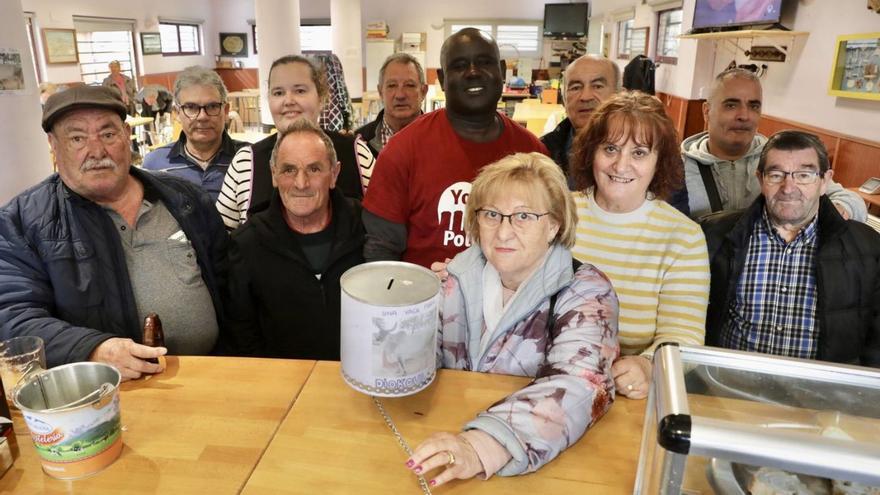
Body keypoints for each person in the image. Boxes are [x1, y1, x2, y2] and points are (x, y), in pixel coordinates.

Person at [407, 153, 619, 486]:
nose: (503, 232)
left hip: (532, 468)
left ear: (553, 225)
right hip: (444, 443)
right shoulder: (453, 279)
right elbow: (417, 367)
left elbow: (581, 385)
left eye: (523, 216)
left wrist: (480, 445)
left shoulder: (587, 291)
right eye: (492, 215)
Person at [0, 86, 227, 379]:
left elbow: (229, 283)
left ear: (125, 135)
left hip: (216, 372)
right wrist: (93, 349)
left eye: (107, 134)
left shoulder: (185, 198)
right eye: (77, 138)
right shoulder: (22, 221)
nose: (97, 151)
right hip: (108, 390)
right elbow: (12, 316)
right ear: (54, 145)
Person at [362, 28, 548, 268]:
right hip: (425, 301)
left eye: (484, 62)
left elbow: (546, 242)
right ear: (442, 79)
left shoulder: (533, 153)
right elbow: (381, 251)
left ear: (501, 71)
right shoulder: (402, 151)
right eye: (459, 65)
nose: (473, 72)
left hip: (515, 302)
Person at [570, 91, 710, 399]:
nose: (621, 165)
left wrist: (647, 365)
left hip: (628, 394)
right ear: (591, 152)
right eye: (610, 148)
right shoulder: (559, 212)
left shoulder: (683, 237)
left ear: (659, 162)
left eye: (639, 153)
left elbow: (682, 337)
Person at [702, 130, 880, 367]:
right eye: (776, 175)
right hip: (728, 385)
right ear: (760, 179)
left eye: (804, 175)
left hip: (821, 396)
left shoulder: (868, 249)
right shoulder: (712, 235)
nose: (788, 187)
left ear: (825, 181)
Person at [224, 118, 364, 359]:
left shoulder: (367, 229)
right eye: (289, 170)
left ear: (334, 174)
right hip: (281, 388)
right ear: (274, 176)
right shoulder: (246, 246)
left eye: (314, 169)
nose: (301, 183)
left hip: (359, 384)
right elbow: (242, 336)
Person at [683, 68, 866, 222]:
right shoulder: (677, 168)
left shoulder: (782, 160)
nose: (744, 116)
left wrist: (838, 209)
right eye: (731, 105)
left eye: (754, 106)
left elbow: (853, 202)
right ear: (707, 112)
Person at [216, 55, 365, 230]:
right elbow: (224, 236)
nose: (288, 101)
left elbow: (381, 226)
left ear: (322, 97)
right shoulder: (246, 161)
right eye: (278, 93)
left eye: (300, 91)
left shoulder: (356, 153)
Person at [142, 66, 246, 201]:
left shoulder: (249, 159)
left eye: (212, 106)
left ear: (225, 111)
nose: (202, 117)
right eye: (191, 107)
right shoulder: (155, 164)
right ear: (176, 113)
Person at [541, 55, 619, 180]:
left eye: (597, 86)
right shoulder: (544, 153)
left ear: (620, 95)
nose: (585, 96)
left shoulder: (646, 154)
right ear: (563, 100)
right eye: (575, 88)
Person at [356, 52, 428, 158]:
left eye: (409, 85)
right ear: (380, 92)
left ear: (423, 92)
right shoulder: (359, 143)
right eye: (392, 85)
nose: (400, 95)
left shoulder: (441, 140)